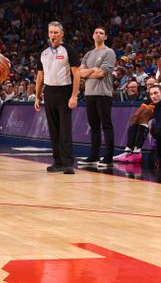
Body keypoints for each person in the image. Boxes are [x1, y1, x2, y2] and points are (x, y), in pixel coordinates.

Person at [34, 21, 80, 174]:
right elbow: (40, 77)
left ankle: (68, 163)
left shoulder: (69, 50)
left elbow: (77, 74)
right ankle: (58, 161)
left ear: (62, 34)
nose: (53, 35)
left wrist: (74, 95)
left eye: (55, 32)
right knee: (53, 129)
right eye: (51, 32)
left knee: (64, 129)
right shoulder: (43, 53)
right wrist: (37, 96)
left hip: (64, 91)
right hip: (49, 92)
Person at [78, 26, 116, 167]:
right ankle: (94, 156)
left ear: (105, 37)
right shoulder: (88, 54)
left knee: (106, 126)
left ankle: (108, 157)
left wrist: (89, 72)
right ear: (93, 36)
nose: (99, 35)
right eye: (96, 33)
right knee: (94, 126)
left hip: (103, 94)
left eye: (101, 33)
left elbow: (101, 73)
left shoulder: (109, 52)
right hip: (89, 94)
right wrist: (93, 70)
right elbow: (79, 74)